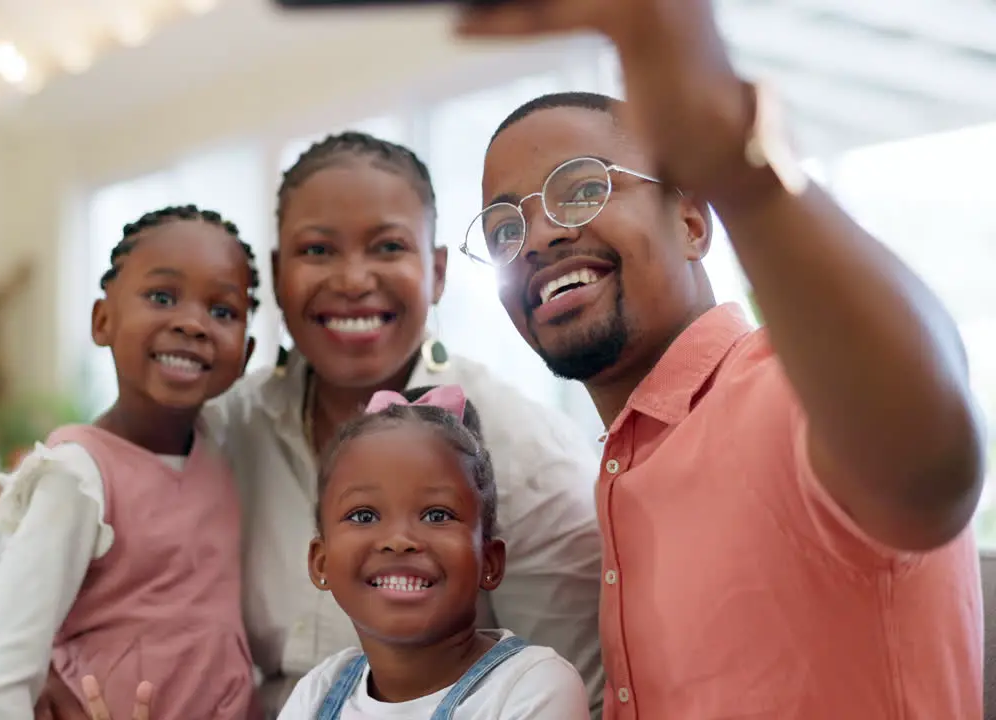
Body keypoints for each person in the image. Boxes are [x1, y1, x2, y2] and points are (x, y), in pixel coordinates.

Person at [459, 2, 986, 718]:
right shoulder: (622, 470)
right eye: (503, 227)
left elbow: (933, 460)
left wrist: (739, 163)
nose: (540, 237)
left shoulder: (786, 393)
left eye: (583, 189)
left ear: (691, 220)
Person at [205, 131, 604, 716]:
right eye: (317, 251)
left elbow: (581, 698)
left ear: (437, 271)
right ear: (276, 274)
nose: (351, 280)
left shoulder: (524, 451)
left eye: (388, 247)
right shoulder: (226, 429)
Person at [0, 205, 263, 720]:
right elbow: (4, 672)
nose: (193, 323)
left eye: (222, 311)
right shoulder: (77, 475)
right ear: (102, 321)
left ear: (246, 352)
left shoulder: (226, 449)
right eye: (162, 297)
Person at [279, 384, 590, 719]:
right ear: (320, 562)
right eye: (364, 516)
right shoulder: (318, 691)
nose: (398, 540)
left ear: (490, 561)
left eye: (437, 515)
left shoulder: (531, 686)